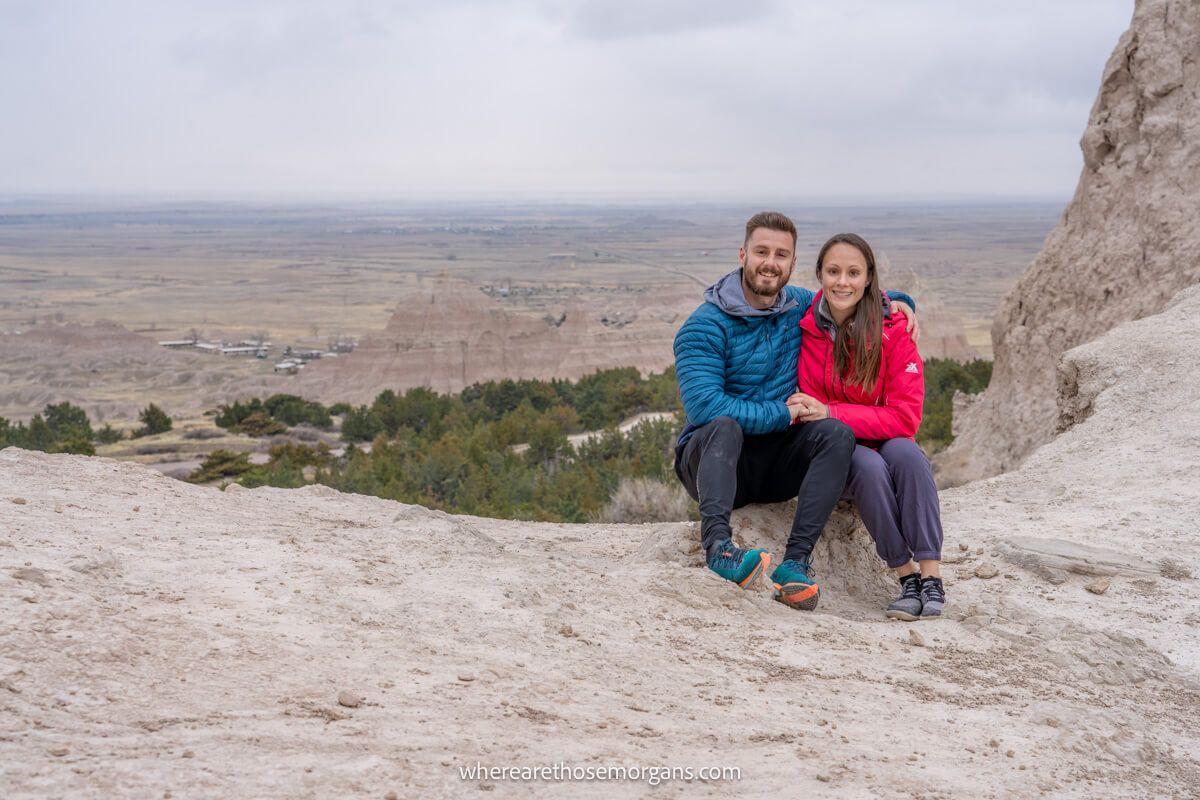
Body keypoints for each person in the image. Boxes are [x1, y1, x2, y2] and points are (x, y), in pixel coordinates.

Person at [673, 212, 917, 611]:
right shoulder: (704, 326)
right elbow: (704, 406)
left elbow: (849, 295)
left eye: (781, 254)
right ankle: (719, 549)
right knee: (724, 425)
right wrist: (782, 414)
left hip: (775, 463)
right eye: (762, 251)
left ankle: (796, 564)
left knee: (835, 431)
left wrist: (902, 305)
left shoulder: (798, 305)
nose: (770, 262)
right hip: (714, 463)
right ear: (743, 254)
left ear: (792, 263)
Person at [788, 233, 945, 619]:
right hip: (834, 452)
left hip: (881, 435)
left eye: (853, 272)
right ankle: (905, 575)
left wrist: (832, 410)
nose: (843, 282)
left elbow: (906, 418)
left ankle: (931, 575)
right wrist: (828, 416)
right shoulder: (803, 322)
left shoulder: (894, 329)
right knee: (870, 466)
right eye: (833, 271)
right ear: (820, 276)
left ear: (869, 278)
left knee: (908, 454)